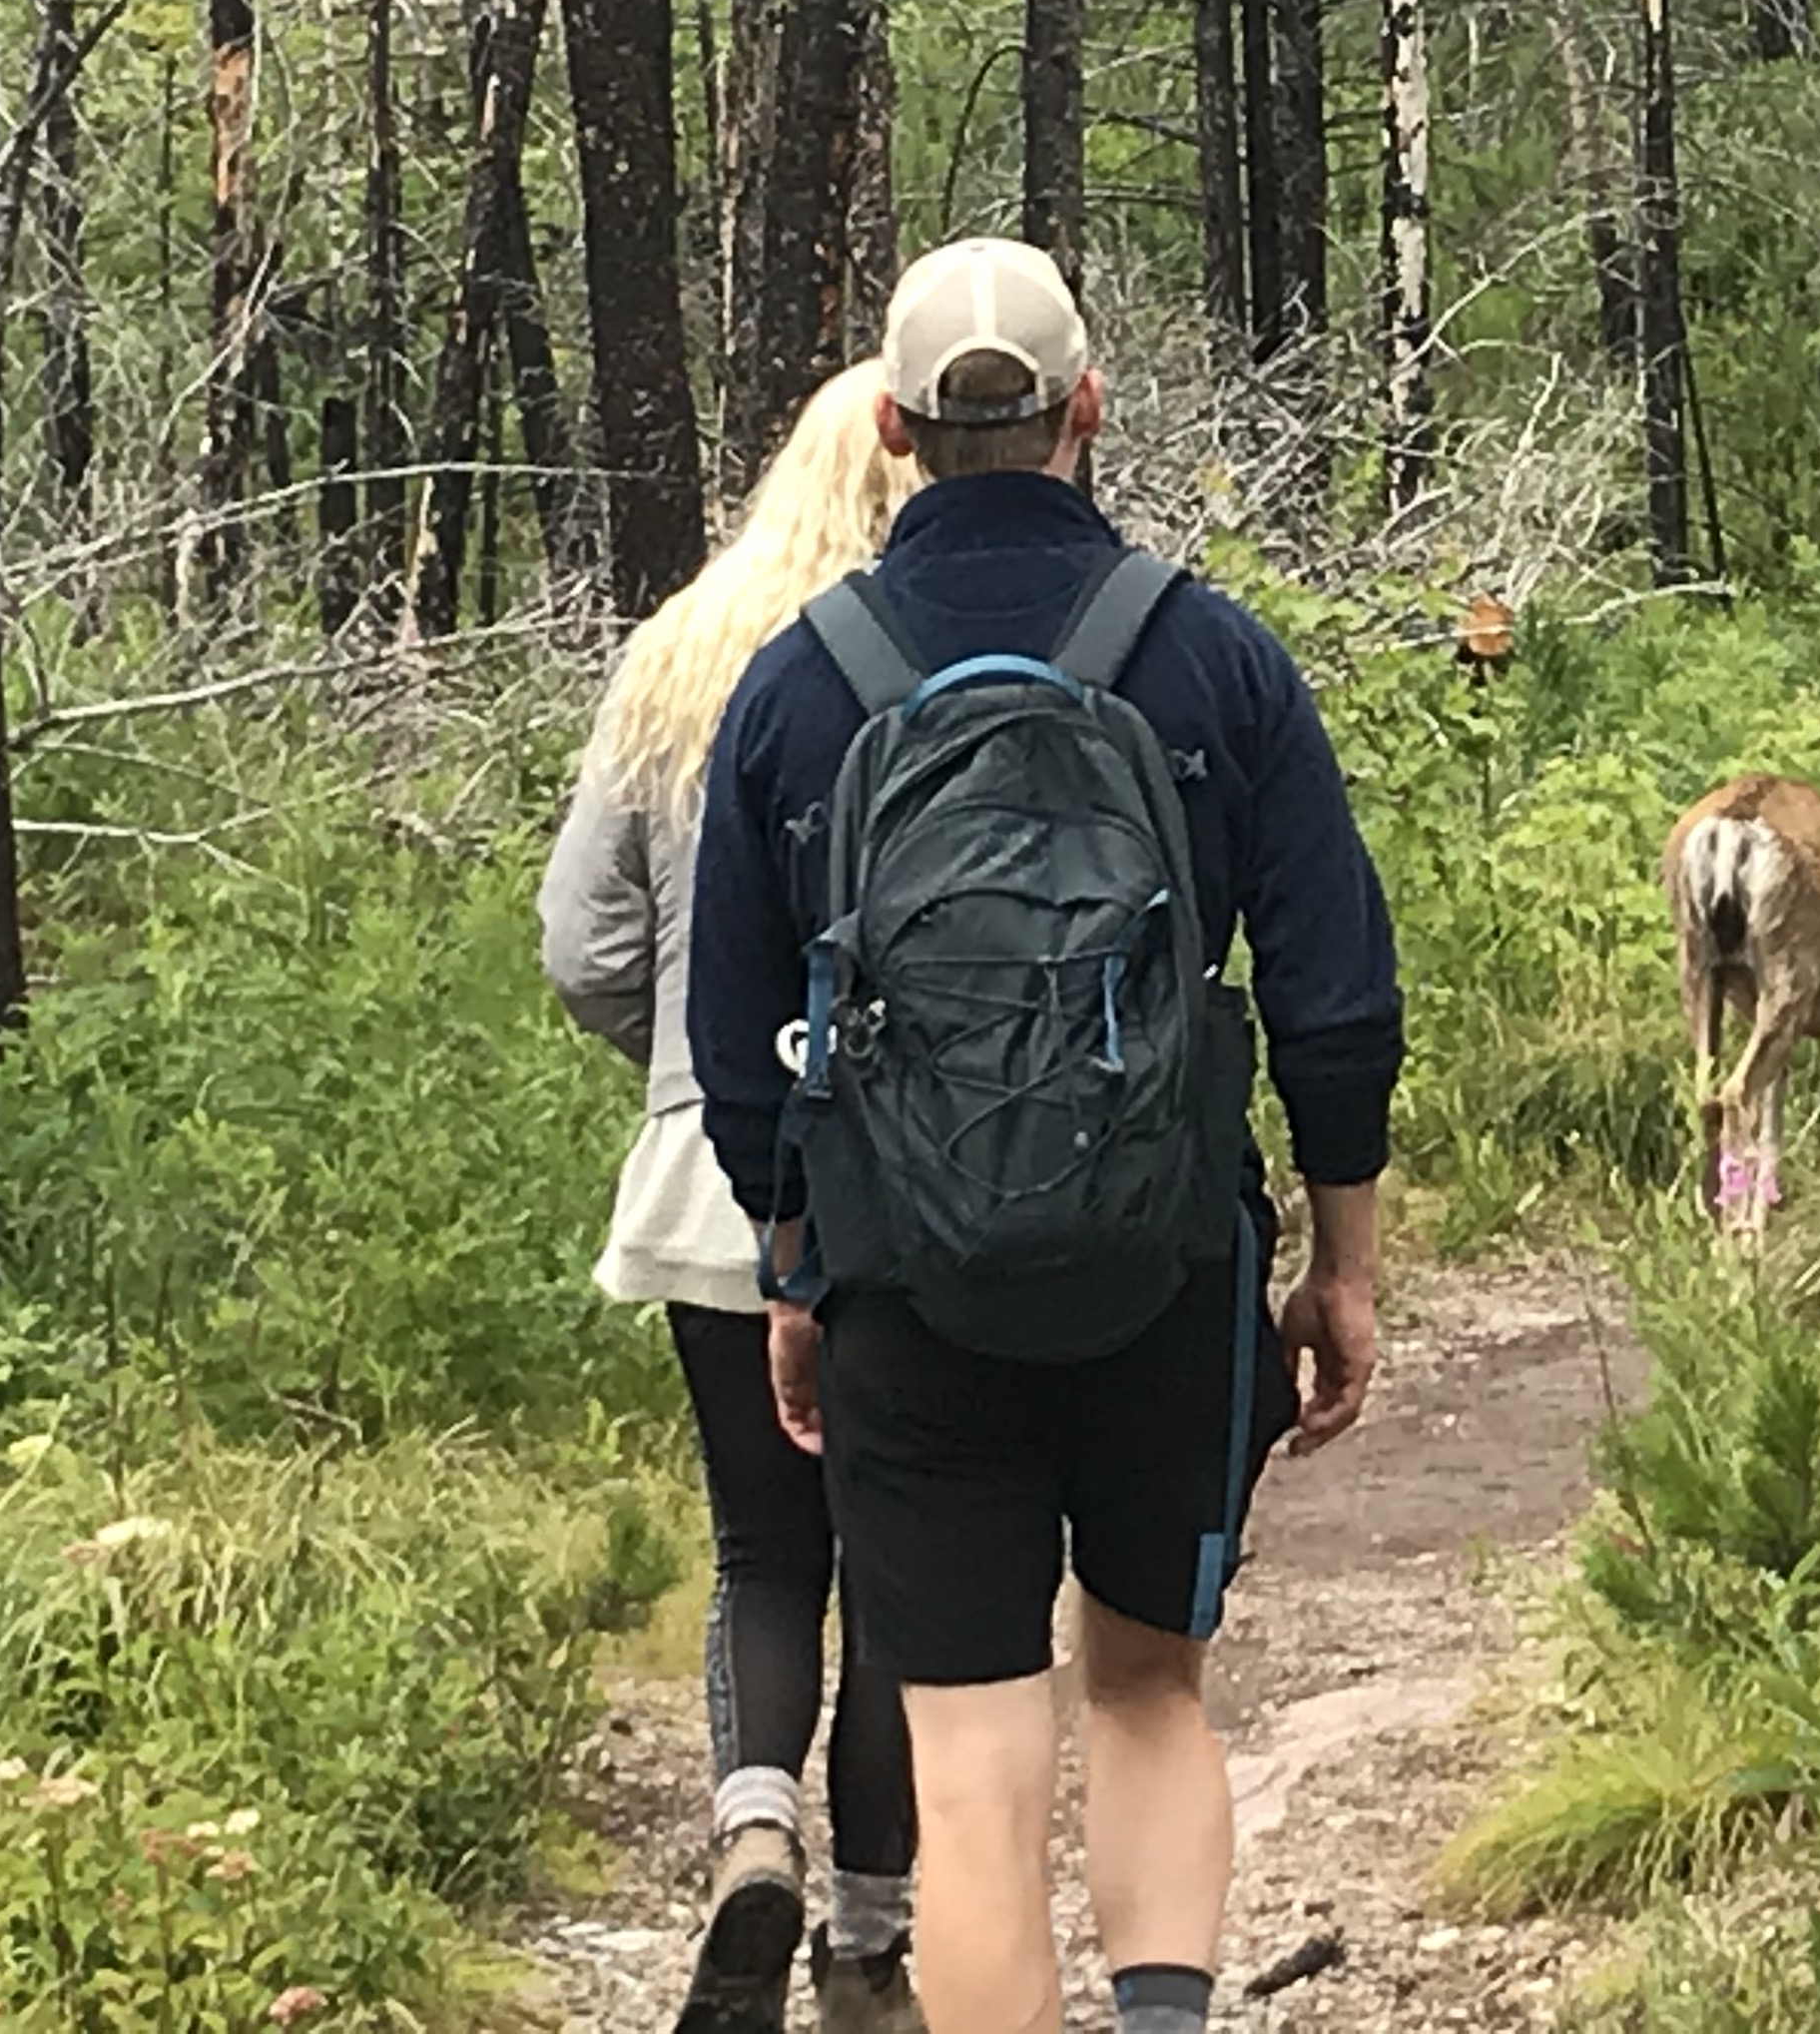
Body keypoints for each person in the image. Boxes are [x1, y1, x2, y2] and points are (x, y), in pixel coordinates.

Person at [689, 242, 1403, 2034]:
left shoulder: (796, 688)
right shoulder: (1213, 656)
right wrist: (1343, 1263)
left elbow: (737, 1049)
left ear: (891, 427)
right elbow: (1333, 989)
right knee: (1149, 1692)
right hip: (1168, 1267)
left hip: (907, 1288)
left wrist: (793, 1266)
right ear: (1089, 406)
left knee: (973, 1766)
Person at [540, 360, 926, 2034]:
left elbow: (583, 943)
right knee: (904, 1564)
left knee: (763, 1549)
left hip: (712, 1174)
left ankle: (753, 1827)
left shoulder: (678, 655)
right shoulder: (926, 657)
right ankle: (870, 1942)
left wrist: (689, 1065)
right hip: (916, 1180)